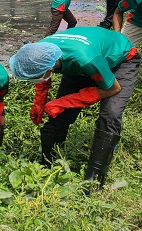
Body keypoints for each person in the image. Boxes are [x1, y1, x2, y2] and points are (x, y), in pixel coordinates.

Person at [9, 27, 140, 187]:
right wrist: (39, 103)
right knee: (58, 117)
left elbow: (113, 89)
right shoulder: (41, 51)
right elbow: (42, 77)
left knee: (110, 114)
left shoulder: (85, 60)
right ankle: (47, 165)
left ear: (49, 68)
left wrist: (62, 102)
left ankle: (94, 180)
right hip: (85, 60)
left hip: (120, 60)